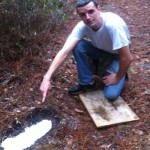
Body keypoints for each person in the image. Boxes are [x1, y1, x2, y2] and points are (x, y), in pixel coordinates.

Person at [40, 0, 133, 102]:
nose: (87, 17)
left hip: (117, 56)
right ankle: (87, 83)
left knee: (111, 95)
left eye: (91, 12)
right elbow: (64, 51)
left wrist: (117, 77)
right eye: (83, 14)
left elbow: (127, 58)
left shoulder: (113, 25)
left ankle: (122, 73)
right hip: (100, 51)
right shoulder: (82, 26)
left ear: (99, 9)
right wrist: (47, 77)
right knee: (78, 45)